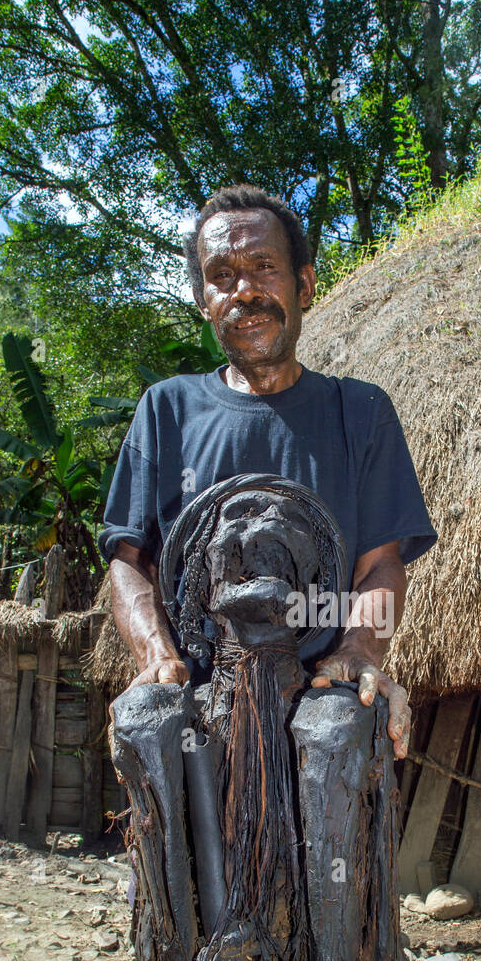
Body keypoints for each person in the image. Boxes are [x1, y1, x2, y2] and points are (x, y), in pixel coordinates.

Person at [99, 183, 436, 758]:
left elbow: (380, 565)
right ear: (204, 300)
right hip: (199, 695)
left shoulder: (361, 412)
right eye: (222, 276)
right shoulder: (166, 409)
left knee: (338, 741)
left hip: (316, 690)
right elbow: (129, 560)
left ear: (303, 284)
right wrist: (157, 656)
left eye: (263, 267)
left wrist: (359, 650)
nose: (245, 291)